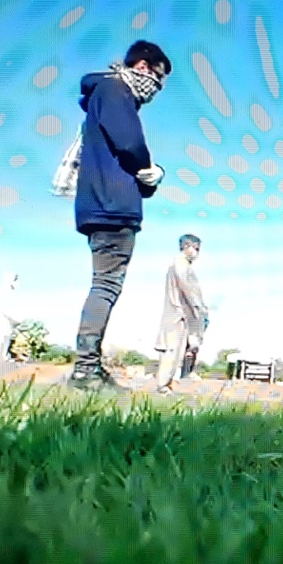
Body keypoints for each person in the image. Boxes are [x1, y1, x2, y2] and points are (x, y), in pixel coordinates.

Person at [68, 40, 172, 391]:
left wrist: (147, 181)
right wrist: (150, 170)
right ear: (143, 67)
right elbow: (129, 143)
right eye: (159, 77)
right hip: (112, 206)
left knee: (104, 284)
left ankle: (87, 368)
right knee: (106, 285)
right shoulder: (115, 90)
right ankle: (86, 371)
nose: (158, 87)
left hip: (102, 202)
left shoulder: (104, 93)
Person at [154, 234, 209, 393]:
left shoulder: (180, 264)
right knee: (172, 351)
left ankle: (170, 383)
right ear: (186, 246)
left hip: (180, 315)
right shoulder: (181, 264)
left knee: (180, 351)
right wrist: (200, 309)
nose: (196, 253)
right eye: (195, 248)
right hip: (178, 315)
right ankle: (163, 387)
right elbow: (189, 290)